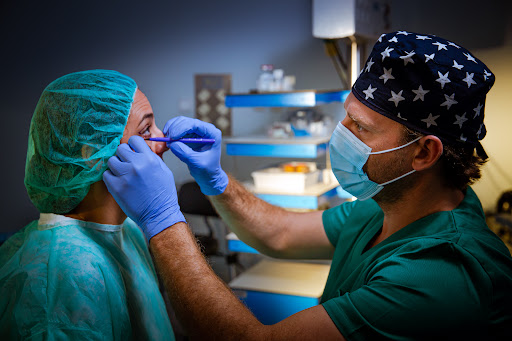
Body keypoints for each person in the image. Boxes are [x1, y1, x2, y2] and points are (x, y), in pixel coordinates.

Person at [104, 32, 512, 340]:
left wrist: (162, 221)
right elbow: (280, 233)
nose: (342, 133)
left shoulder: (440, 276)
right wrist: (217, 180)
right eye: (347, 116)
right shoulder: (388, 202)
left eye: (361, 128)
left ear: (424, 153)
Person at [0, 70, 176, 340]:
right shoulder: (62, 281)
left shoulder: (126, 229)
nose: (164, 141)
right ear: (93, 155)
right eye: (146, 130)